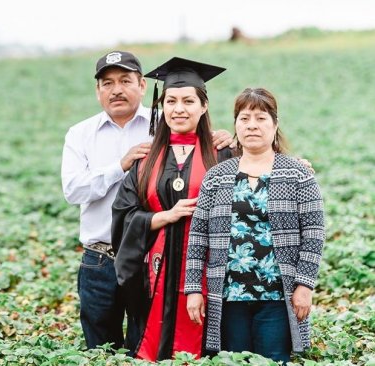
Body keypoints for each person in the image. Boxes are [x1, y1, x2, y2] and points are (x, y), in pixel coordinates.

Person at [61, 52, 234, 352]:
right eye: (108, 82)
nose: (117, 89)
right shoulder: (82, 134)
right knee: (106, 346)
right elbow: (74, 191)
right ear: (98, 89)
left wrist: (224, 139)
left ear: (142, 86)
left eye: (125, 81)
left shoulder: (163, 128)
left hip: (168, 266)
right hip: (105, 258)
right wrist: (122, 165)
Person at [184, 87, 325, 362]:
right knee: (234, 359)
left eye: (260, 118)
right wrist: (193, 289)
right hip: (228, 295)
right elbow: (198, 236)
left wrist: (304, 286)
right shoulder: (217, 176)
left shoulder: (297, 174)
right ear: (235, 124)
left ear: (274, 123)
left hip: (277, 295)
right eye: (244, 118)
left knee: (273, 359)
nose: (252, 125)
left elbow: (314, 234)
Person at [111, 56, 233, 361]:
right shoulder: (145, 159)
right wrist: (163, 216)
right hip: (154, 276)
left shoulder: (224, 154)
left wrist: (299, 167)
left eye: (188, 101)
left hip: (210, 275)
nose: (179, 109)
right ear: (161, 105)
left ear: (204, 106)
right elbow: (123, 216)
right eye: (171, 101)